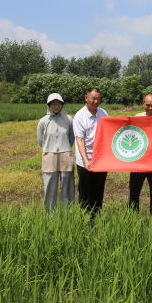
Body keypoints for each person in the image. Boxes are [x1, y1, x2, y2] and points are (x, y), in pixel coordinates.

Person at [73, 88, 108, 219]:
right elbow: (80, 140)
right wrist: (85, 160)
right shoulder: (79, 116)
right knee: (85, 192)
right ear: (86, 98)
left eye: (98, 98)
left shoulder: (103, 113)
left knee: (98, 190)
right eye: (93, 98)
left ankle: (96, 218)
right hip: (85, 160)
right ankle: (85, 219)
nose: (96, 101)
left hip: (100, 160)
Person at [37, 93, 75, 210]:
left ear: (62, 105)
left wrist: (64, 147)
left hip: (66, 154)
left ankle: (68, 212)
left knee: (67, 184)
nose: (56, 106)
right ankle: (50, 214)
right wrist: (50, 148)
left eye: (59, 104)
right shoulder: (43, 121)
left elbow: (71, 137)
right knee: (49, 184)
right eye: (53, 104)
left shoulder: (68, 119)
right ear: (49, 105)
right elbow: (41, 140)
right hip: (49, 154)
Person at [129, 93, 152, 215]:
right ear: (143, 104)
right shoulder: (136, 118)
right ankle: (132, 217)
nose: (150, 108)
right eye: (147, 105)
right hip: (138, 162)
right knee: (134, 192)